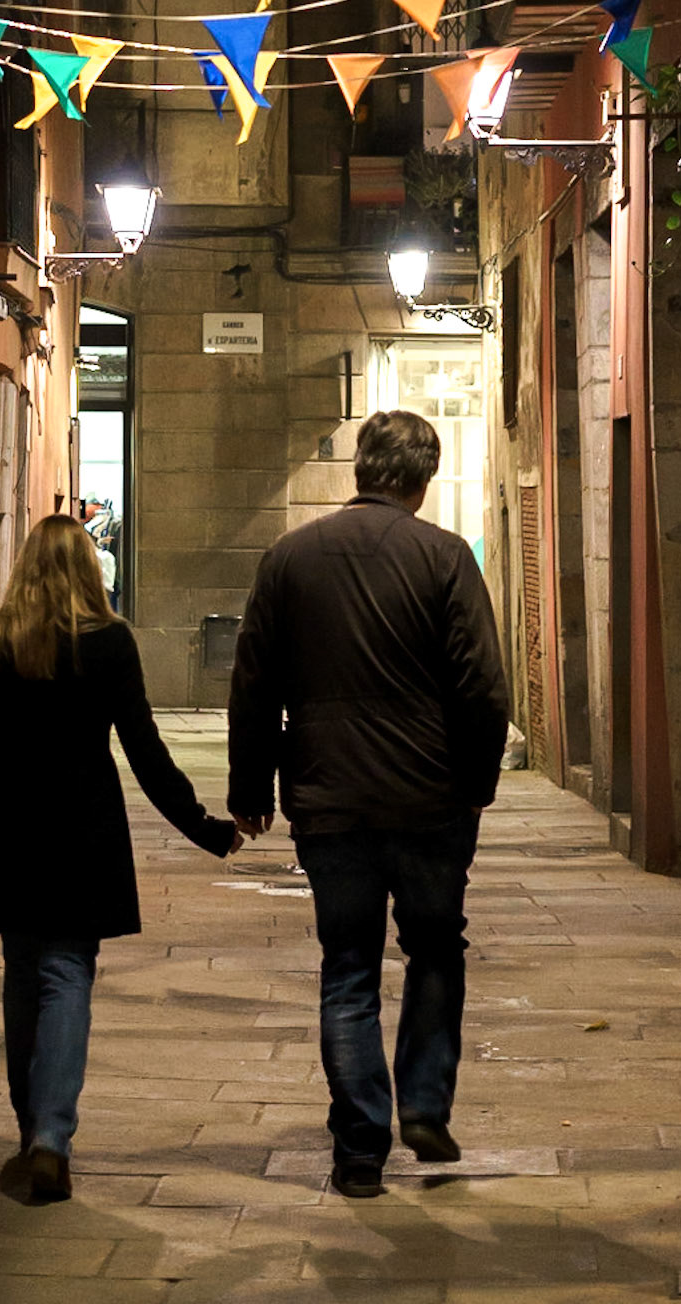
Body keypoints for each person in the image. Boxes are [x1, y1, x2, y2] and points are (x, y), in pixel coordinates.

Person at [0, 514, 237, 1203]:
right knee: (68, 972)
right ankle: (50, 1137)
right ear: (87, 571)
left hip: (11, 829)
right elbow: (145, 749)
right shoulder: (111, 645)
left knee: (21, 970)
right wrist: (203, 828)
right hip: (83, 829)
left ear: (25, 568)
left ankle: (28, 1123)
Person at [227, 409, 510, 1200]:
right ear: (422, 478)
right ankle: (422, 1103)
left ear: (360, 470)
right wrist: (475, 784)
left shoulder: (289, 559)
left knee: (347, 968)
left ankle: (359, 1146)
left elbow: (252, 686)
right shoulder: (444, 558)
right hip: (430, 799)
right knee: (434, 948)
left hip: (328, 799)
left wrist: (249, 791)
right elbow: (483, 689)